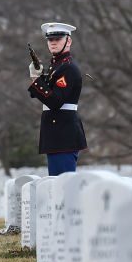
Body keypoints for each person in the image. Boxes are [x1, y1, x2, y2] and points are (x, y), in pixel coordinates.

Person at [28, 22, 87, 175]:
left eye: (58, 39)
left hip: (63, 134)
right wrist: (38, 77)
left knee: (62, 189)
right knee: (56, 189)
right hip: (56, 134)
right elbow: (39, 94)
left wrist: (36, 81)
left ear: (69, 41)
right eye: (50, 40)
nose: (53, 43)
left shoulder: (67, 68)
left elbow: (55, 101)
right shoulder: (56, 66)